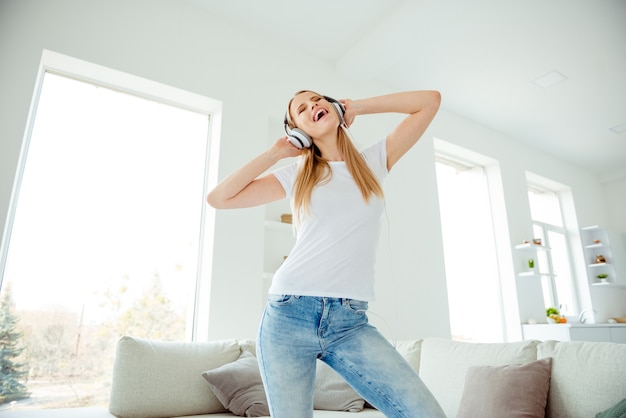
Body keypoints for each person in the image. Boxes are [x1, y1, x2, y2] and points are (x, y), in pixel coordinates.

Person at [207, 89, 444, 418]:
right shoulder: (296, 176)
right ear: (297, 132)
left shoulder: (373, 162)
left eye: (317, 99)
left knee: (425, 412)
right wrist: (276, 152)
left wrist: (356, 106)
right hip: (288, 316)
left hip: (350, 322)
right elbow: (219, 198)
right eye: (301, 109)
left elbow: (429, 101)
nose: (313, 106)